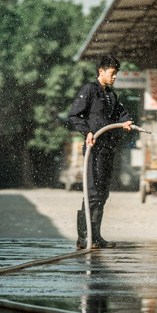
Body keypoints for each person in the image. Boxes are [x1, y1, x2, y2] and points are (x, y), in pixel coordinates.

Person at [68, 56, 133, 249]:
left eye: (116, 74)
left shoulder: (112, 95)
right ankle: (84, 237)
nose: (114, 77)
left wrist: (127, 121)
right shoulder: (89, 90)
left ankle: (95, 236)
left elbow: (122, 113)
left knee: (103, 193)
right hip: (93, 148)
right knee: (92, 192)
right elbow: (73, 115)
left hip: (107, 149)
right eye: (112, 73)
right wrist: (87, 131)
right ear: (101, 71)